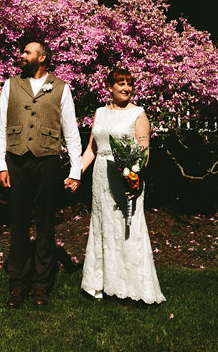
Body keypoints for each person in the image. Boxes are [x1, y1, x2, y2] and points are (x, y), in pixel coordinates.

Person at [0, 41, 82, 307]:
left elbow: (71, 131)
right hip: (17, 160)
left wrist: (75, 170)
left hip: (47, 161)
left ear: (42, 58)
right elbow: (1, 126)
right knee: (18, 223)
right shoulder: (11, 85)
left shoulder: (61, 88)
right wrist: (1, 165)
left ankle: (41, 285)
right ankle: (17, 284)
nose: (22, 55)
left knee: (45, 224)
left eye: (27, 52)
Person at [80, 67, 165, 304]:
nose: (126, 88)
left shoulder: (138, 114)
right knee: (103, 226)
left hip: (126, 178)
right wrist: (75, 173)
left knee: (127, 227)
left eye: (129, 84)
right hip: (100, 178)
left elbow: (144, 152)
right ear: (109, 87)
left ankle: (132, 288)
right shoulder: (99, 112)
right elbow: (92, 149)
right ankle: (101, 284)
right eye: (121, 83)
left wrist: (134, 176)